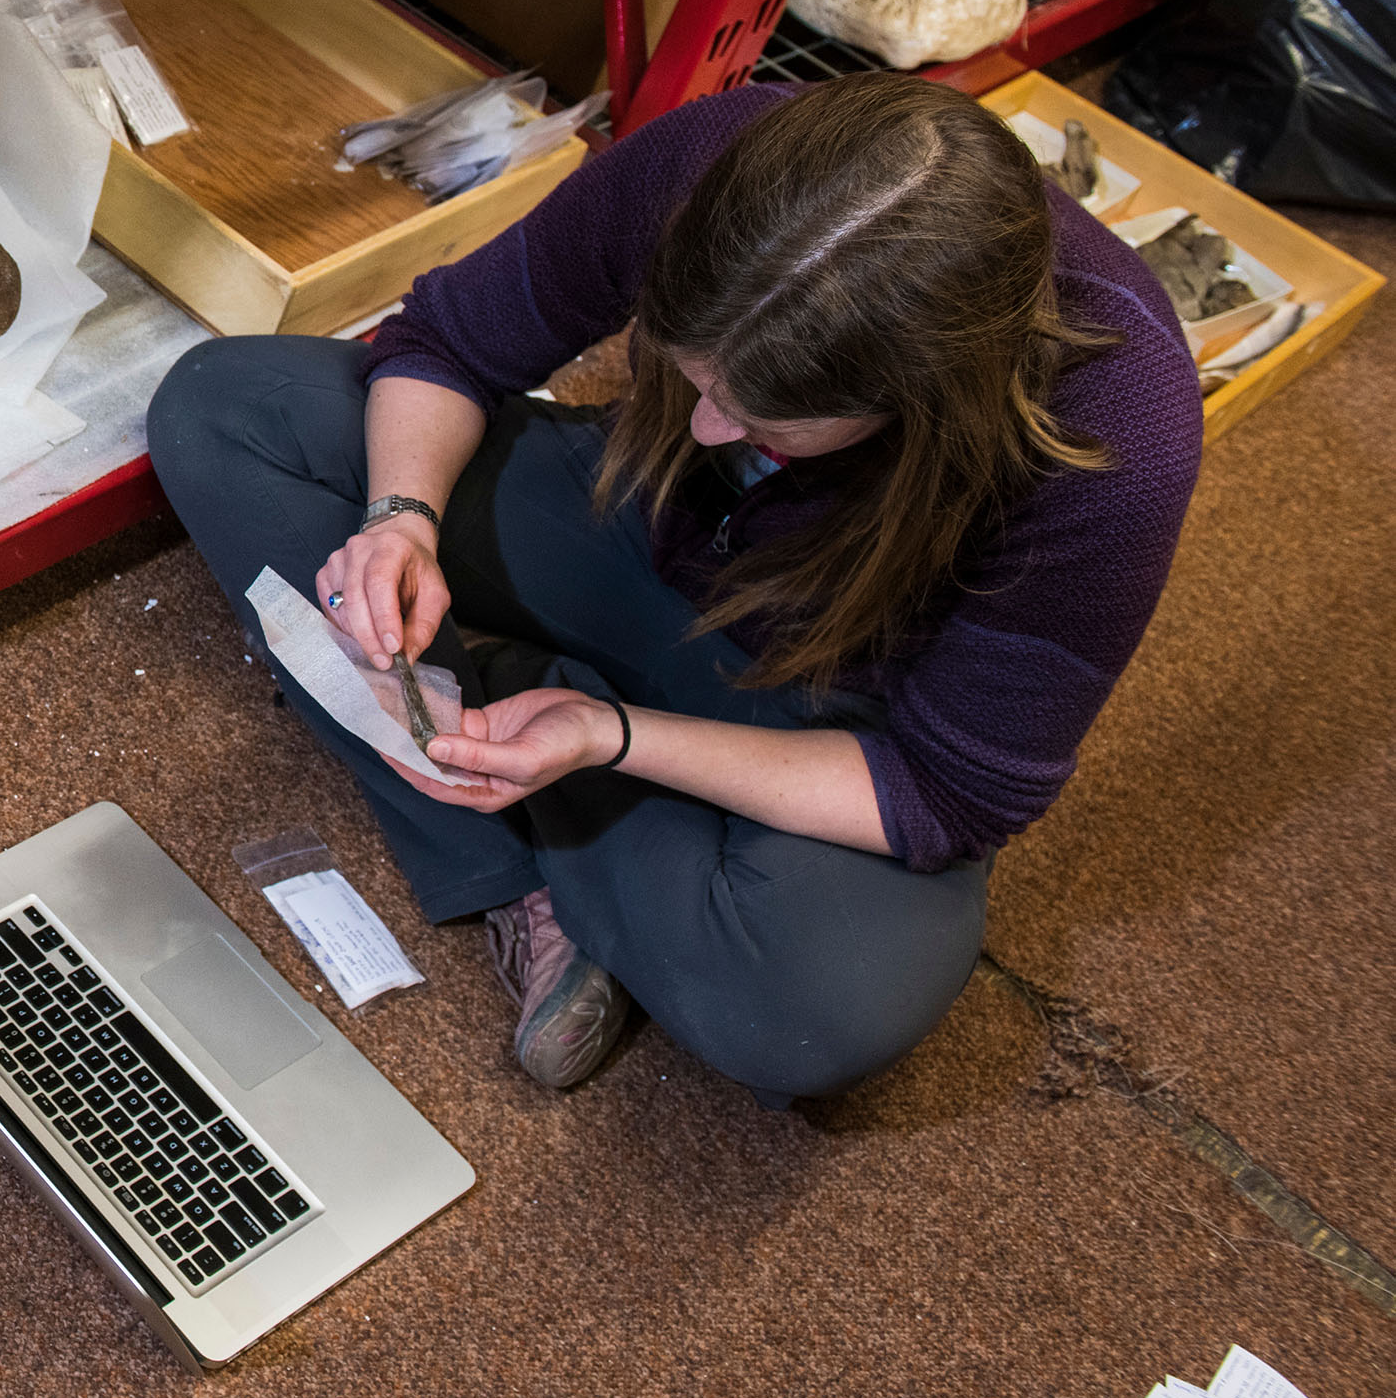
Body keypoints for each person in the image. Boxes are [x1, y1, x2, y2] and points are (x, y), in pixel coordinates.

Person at [147, 73, 1204, 1103]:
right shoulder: (724, 161)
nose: (706, 428)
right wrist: (398, 519)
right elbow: (448, 343)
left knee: (820, 1007)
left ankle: (507, 732)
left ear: (922, 400)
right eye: (691, 376)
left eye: (760, 423)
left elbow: (947, 791)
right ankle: (533, 851)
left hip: (825, 688)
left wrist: (611, 734)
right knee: (228, 404)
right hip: (627, 521)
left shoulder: (1117, 435)